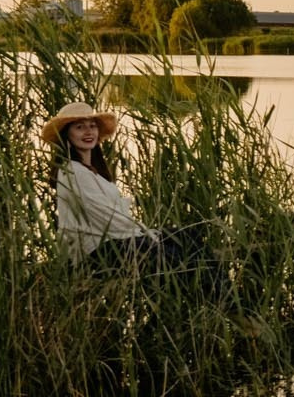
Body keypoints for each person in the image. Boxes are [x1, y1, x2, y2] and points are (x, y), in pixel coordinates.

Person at [40, 102, 205, 275]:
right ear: (67, 134)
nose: (88, 132)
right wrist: (145, 233)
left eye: (92, 126)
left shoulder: (91, 171)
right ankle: (220, 296)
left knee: (189, 235)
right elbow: (107, 218)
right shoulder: (73, 171)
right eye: (80, 127)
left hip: (115, 240)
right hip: (97, 249)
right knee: (173, 256)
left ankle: (215, 295)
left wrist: (145, 232)